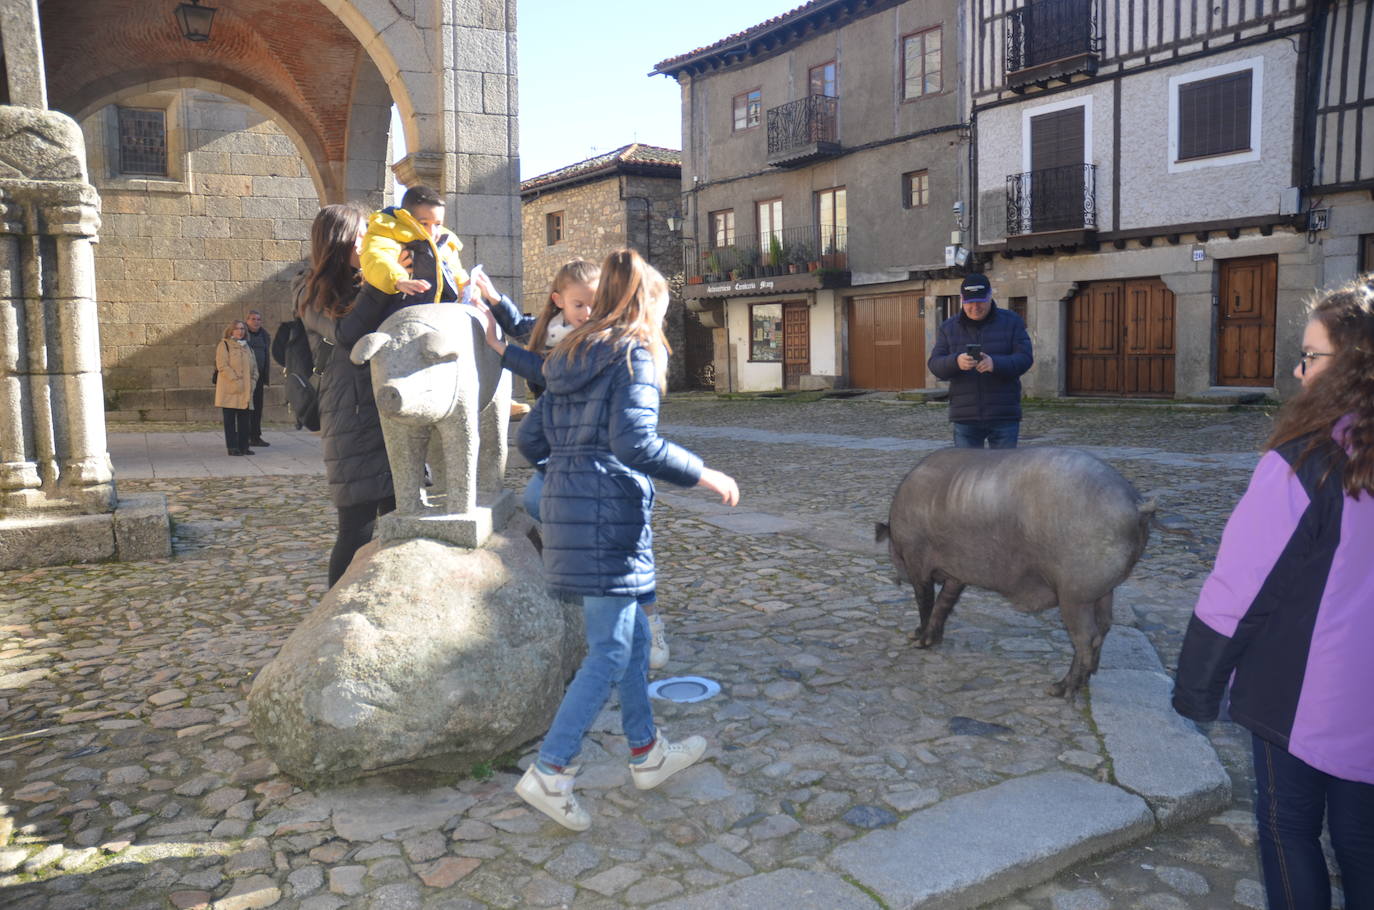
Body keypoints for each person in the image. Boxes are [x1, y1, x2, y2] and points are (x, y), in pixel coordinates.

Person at [512, 249, 740, 831]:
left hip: (574, 508)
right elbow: (636, 442)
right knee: (611, 651)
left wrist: (570, 469)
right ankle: (551, 771)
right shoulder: (634, 351)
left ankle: (646, 752)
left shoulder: (569, 353)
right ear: (647, 303)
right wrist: (704, 473)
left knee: (635, 637)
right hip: (607, 514)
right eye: (662, 307)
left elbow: (531, 441)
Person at [1172, 279, 1374, 910]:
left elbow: (1241, 584)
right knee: (1363, 838)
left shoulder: (1306, 459)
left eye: (1309, 356)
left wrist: (1197, 687)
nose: (1297, 369)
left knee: (1289, 830)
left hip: (1303, 690)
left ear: (1349, 366)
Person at [478, 258, 680, 671]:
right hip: (565, 449)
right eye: (579, 306)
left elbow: (552, 372)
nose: (589, 313)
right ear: (560, 303)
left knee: (625, 541)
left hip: (606, 454)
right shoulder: (553, 329)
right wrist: (494, 299)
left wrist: (501, 351)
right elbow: (523, 324)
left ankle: (649, 618)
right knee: (539, 504)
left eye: (595, 304)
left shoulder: (603, 340)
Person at [296, 204, 396, 586]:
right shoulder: (307, 289)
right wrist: (381, 282)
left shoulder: (370, 280)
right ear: (341, 240)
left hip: (390, 412)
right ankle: (332, 622)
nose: (369, 242)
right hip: (350, 418)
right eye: (362, 235)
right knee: (355, 530)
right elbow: (347, 332)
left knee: (399, 522)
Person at [927, 273, 1033, 448]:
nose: (975, 307)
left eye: (980, 301)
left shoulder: (1012, 321)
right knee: (967, 473)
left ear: (990, 296)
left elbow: (1025, 358)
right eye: (969, 302)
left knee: (1002, 472)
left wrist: (995, 364)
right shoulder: (948, 327)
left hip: (1003, 414)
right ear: (962, 299)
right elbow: (934, 364)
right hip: (965, 416)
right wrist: (956, 362)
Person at [360, 184, 468, 306]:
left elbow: (457, 273)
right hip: (400, 310)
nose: (432, 231)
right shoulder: (387, 232)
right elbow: (376, 258)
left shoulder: (446, 243)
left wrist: (470, 289)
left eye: (438, 224)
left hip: (441, 311)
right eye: (424, 223)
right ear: (407, 219)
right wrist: (398, 280)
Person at [215, 320, 258, 456]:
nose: (240, 331)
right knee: (230, 420)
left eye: (243, 329)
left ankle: (244, 446)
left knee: (244, 420)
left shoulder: (248, 347)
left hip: (246, 390)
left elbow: (255, 368)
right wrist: (235, 380)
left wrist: (253, 381)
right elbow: (222, 365)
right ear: (231, 331)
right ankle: (232, 447)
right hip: (230, 389)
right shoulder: (225, 345)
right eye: (237, 329)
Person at [244, 309, 272, 448]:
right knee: (246, 408)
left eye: (258, 319)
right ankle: (245, 436)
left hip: (259, 378)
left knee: (258, 408)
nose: (256, 322)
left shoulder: (264, 336)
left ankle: (255, 436)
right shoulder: (242, 335)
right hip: (245, 378)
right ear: (247, 320)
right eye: (253, 319)